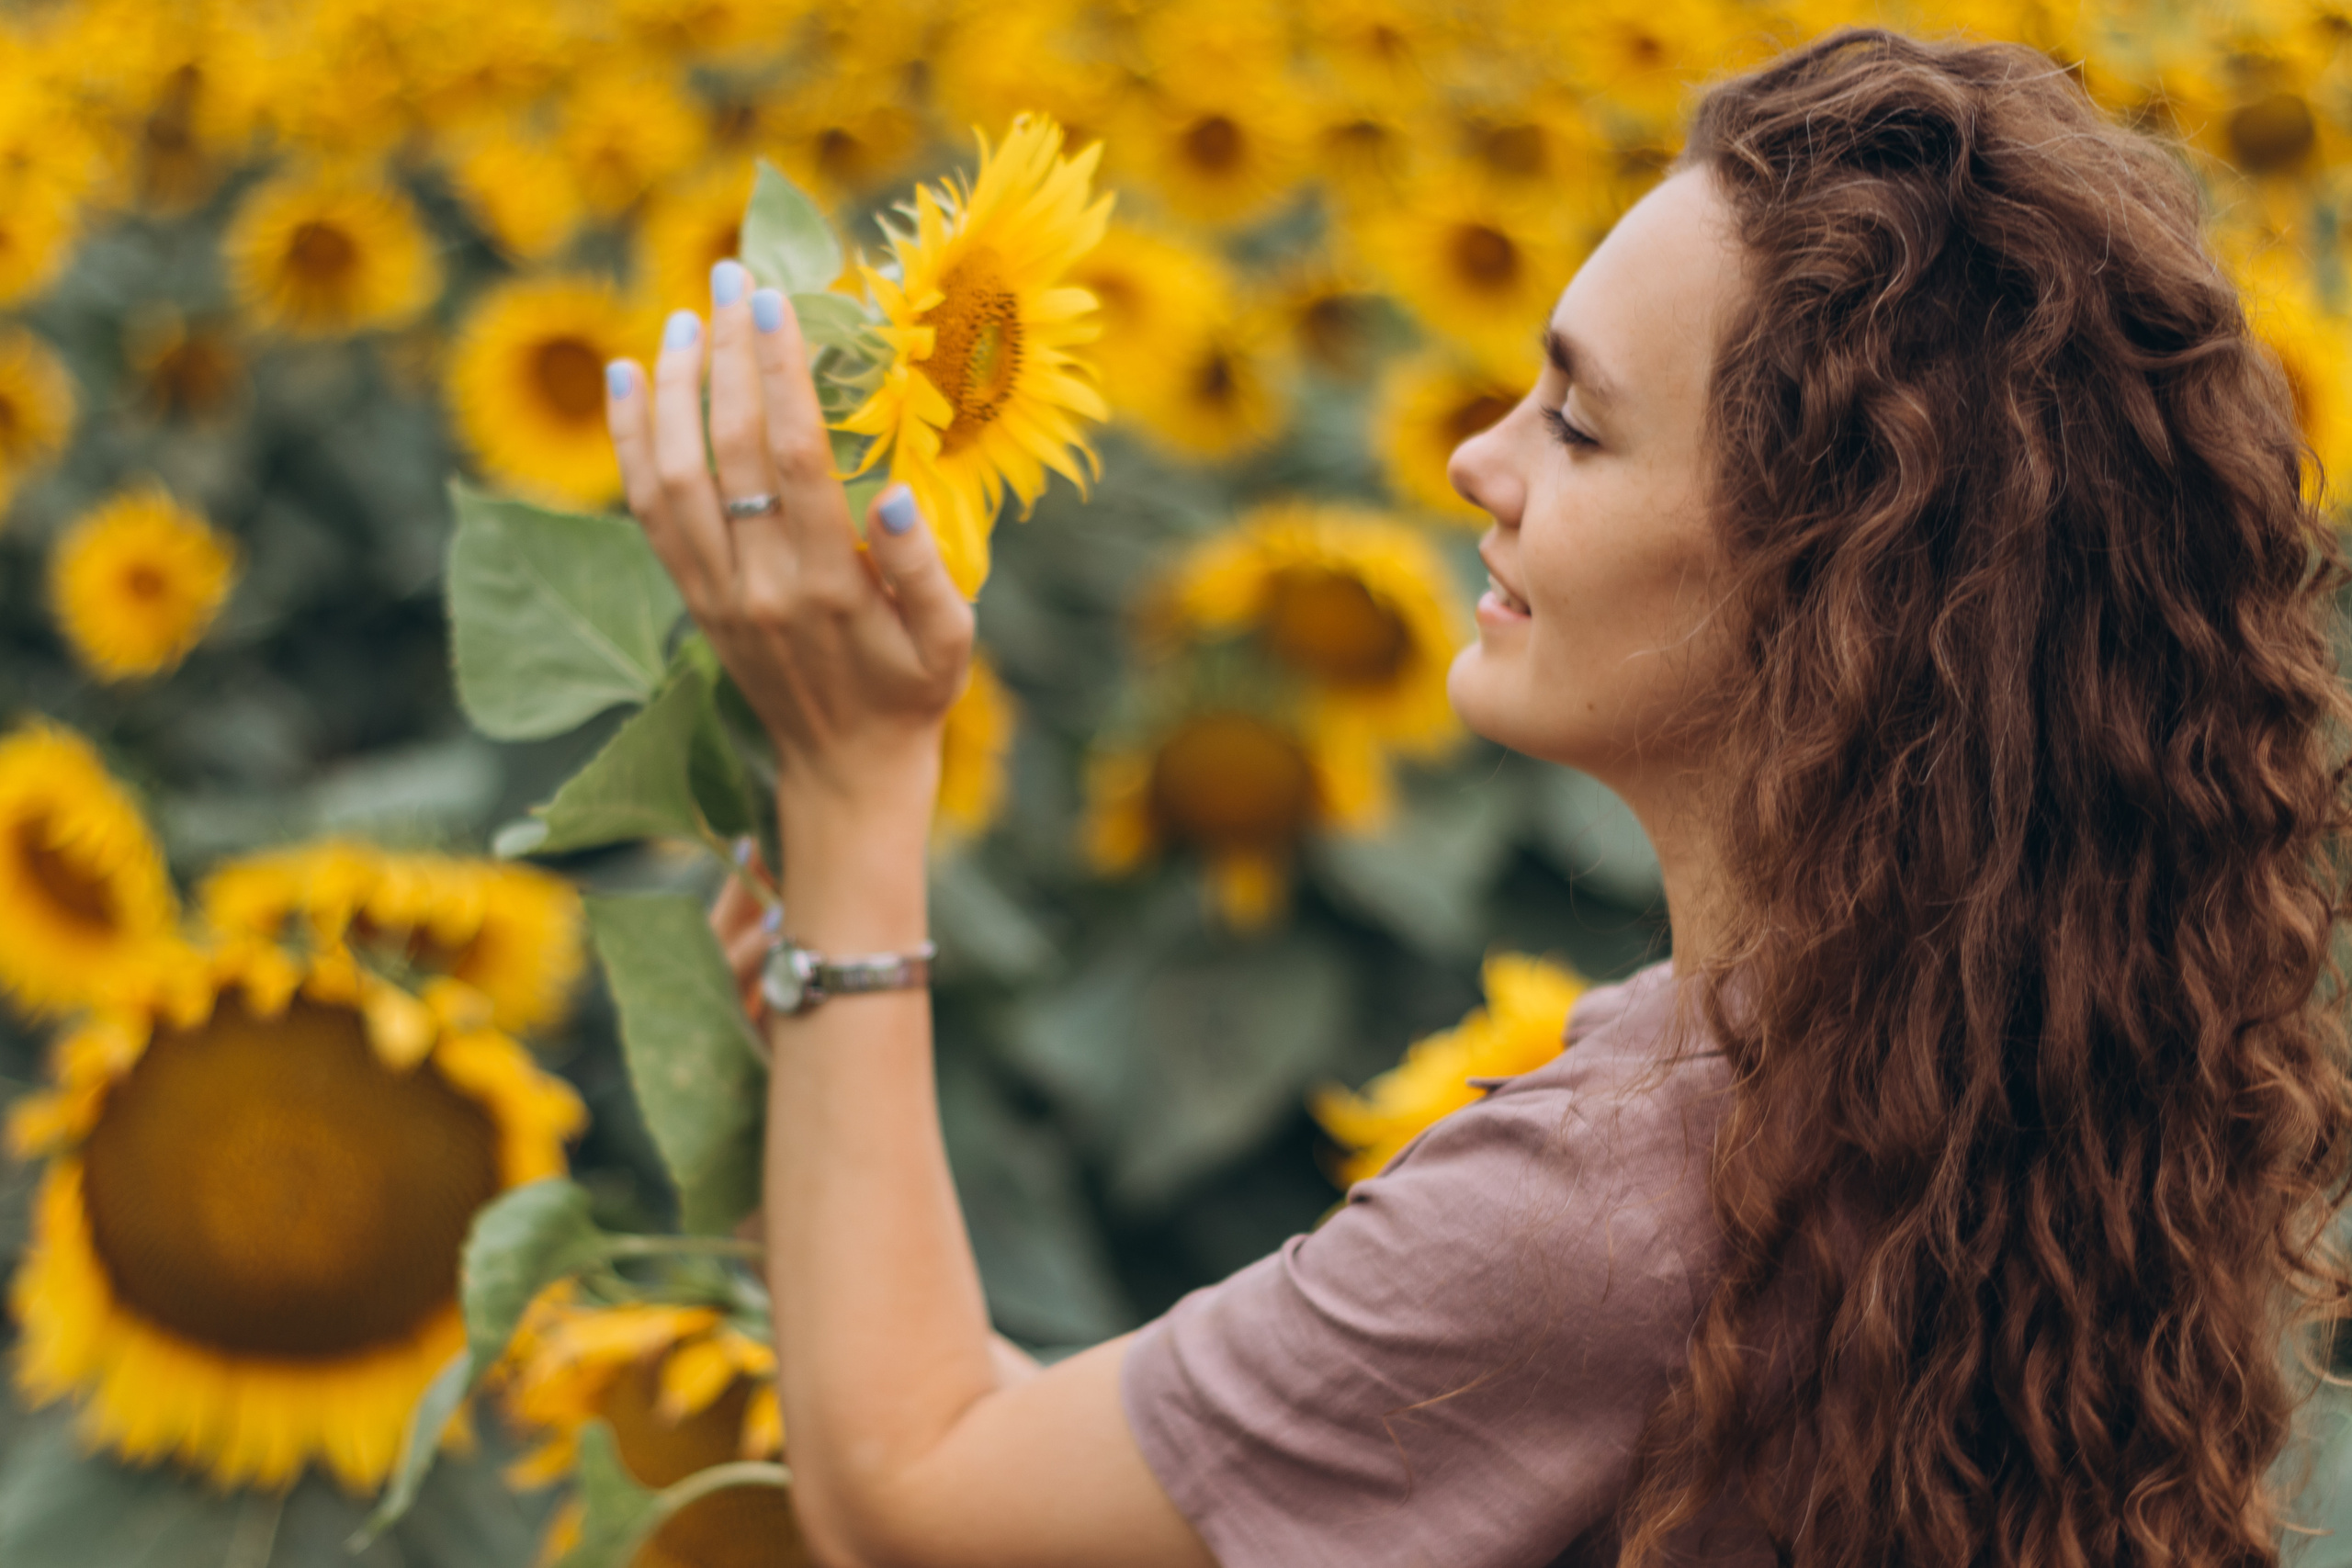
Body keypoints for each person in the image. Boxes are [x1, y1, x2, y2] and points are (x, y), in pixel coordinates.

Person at [600, 27, 2352, 1568]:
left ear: (1835, 594)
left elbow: (913, 1508)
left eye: (1576, 429)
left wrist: (851, 787)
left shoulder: (1608, 1213)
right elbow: (1150, 1467)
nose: (1472, 459)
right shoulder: (1979, 1064)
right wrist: (828, 1042)